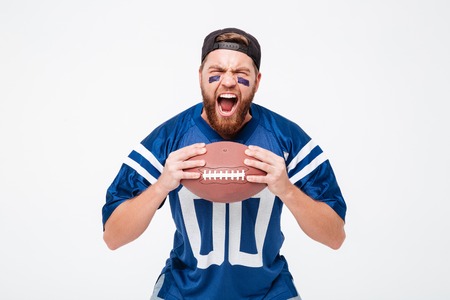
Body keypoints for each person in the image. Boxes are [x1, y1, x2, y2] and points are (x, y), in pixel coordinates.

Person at [102, 27, 347, 300]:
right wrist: (162, 185)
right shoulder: (169, 138)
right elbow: (113, 237)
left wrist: (286, 189)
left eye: (241, 74)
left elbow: (334, 237)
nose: (228, 82)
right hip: (184, 291)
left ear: (257, 81)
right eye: (216, 72)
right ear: (200, 77)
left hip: (269, 292)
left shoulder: (286, 138)